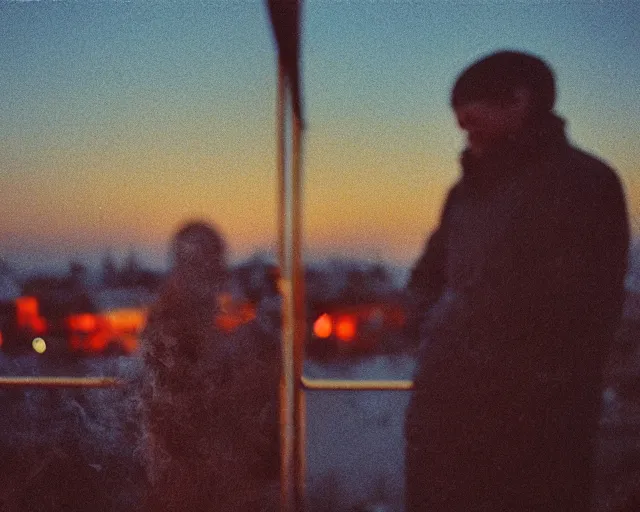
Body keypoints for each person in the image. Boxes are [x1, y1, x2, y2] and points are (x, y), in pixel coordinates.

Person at [405, 51, 629, 512]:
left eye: (472, 111)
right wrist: (435, 331)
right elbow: (427, 276)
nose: (462, 126)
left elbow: (582, 308)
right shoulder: (464, 194)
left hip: (537, 424)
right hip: (448, 413)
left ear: (520, 101)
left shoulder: (585, 184)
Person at [139, 221, 280, 511]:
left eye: (211, 261)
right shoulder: (173, 328)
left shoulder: (206, 322)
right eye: (197, 261)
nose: (211, 271)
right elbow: (192, 406)